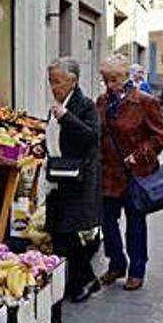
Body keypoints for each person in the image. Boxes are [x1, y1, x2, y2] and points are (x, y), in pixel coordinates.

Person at [97, 55, 163, 291]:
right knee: (107, 222)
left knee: (135, 223)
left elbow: (160, 136)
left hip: (134, 174)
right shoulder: (102, 102)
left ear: (126, 76)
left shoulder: (145, 102)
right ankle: (117, 263)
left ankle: (137, 269)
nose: (109, 85)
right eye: (105, 79)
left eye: (114, 79)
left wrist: (139, 155)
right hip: (109, 173)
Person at [44, 57, 102, 303]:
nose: (53, 87)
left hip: (76, 178)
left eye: (57, 82)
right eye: (51, 82)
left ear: (72, 81)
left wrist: (66, 116)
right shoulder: (59, 104)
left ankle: (83, 280)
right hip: (59, 175)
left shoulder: (84, 105)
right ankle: (70, 281)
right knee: (59, 231)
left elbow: (91, 136)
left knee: (69, 231)